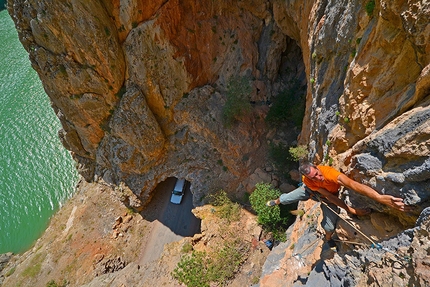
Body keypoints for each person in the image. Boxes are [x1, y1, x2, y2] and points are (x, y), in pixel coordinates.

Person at [266, 162, 411, 247]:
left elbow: (354, 185)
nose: (318, 177)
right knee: (288, 198)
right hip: (313, 191)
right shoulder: (308, 180)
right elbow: (324, 193)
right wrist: (351, 210)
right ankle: (277, 201)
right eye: (313, 177)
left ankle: (328, 239)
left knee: (329, 226)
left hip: (328, 197)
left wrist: (379, 198)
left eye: (317, 174)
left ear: (317, 167)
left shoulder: (330, 174)